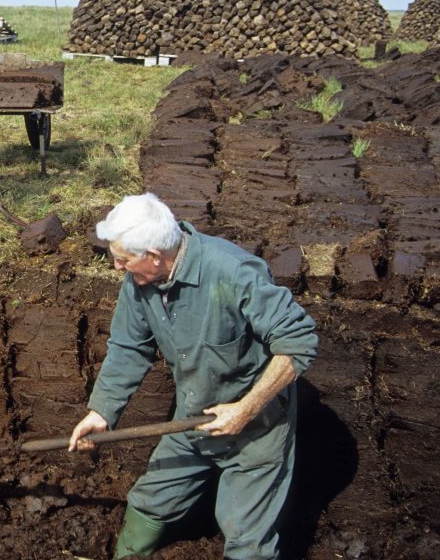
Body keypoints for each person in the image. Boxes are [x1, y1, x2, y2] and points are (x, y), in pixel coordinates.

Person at [68, 193, 318, 559]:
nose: (117, 267)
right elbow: (128, 347)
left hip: (257, 427)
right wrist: (101, 413)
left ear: (154, 255)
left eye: (122, 259)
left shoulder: (233, 271)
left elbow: (299, 341)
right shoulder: (140, 283)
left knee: (246, 539)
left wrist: (245, 409)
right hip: (192, 419)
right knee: (149, 501)